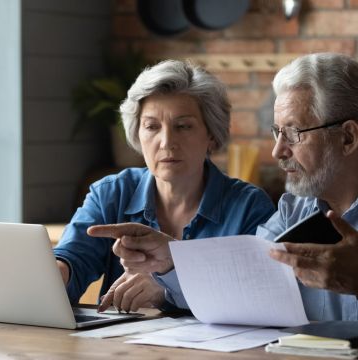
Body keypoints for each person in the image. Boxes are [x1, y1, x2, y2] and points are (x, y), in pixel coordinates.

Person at [89, 53, 358, 320]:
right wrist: (172, 260)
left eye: (294, 133)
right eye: (278, 133)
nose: (277, 151)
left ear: (347, 137)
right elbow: (242, 282)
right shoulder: (294, 210)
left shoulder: (252, 203)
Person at [54, 59, 275, 311]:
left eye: (183, 126)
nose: (167, 141)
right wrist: (55, 275)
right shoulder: (111, 193)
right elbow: (73, 258)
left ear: (211, 135)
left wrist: (170, 288)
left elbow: (258, 295)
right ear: (137, 134)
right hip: (119, 348)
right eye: (152, 127)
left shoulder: (249, 207)